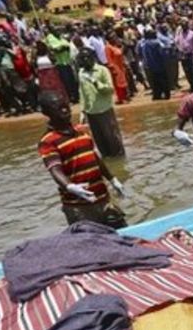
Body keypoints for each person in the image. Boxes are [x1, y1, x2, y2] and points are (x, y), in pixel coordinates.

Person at [37, 91, 127, 228]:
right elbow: (55, 170)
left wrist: (112, 179)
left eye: (65, 105)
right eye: (57, 108)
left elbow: (95, 158)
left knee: (123, 233)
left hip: (103, 198)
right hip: (79, 207)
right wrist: (70, 186)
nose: (64, 110)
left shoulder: (82, 130)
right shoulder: (48, 141)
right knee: (90, 243)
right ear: (46, 112)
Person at [77, 48, 125, 157]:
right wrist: (82, 111)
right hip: (91, 112)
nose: (85, 61)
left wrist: (96, 83)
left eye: (87, 58)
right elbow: (82, 93)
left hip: (104, 109)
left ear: (92, 58)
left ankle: (119, 161)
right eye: (82, 59)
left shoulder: (102, 70)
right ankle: (108, 162)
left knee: (113, 139)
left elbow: (110, 89)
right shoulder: (81, 73)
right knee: (99, 141)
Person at [139, 28, 169, 100]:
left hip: (150, 65)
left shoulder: (143, 44)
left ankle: (157, 95)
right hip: (159, 64)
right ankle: (166, 94)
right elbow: (162, 53)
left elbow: (141, 54)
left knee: (155, 81)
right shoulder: (157, 43)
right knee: (163, 80)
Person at [175, 21, 193, 91]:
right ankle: (192, 85)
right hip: (183, 55)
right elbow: (176, 43)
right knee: (187, 71)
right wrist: (180, 50)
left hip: (191, 55)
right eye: (182, 26)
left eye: (185, 26)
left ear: (187, 26)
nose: (184, 27)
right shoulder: (180, 34)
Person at [104, 33, 129, 104]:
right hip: (115, 67)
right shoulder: (108, 47)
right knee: (118, 83)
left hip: (120, 65)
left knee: (123, 81)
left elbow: (120, 54)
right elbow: (109, 59)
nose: (115, 38)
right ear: (109, 39)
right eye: (113, 37)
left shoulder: (115, 46)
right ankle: (120, 98)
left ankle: (125, 96)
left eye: (115, 37)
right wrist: (113, 69)